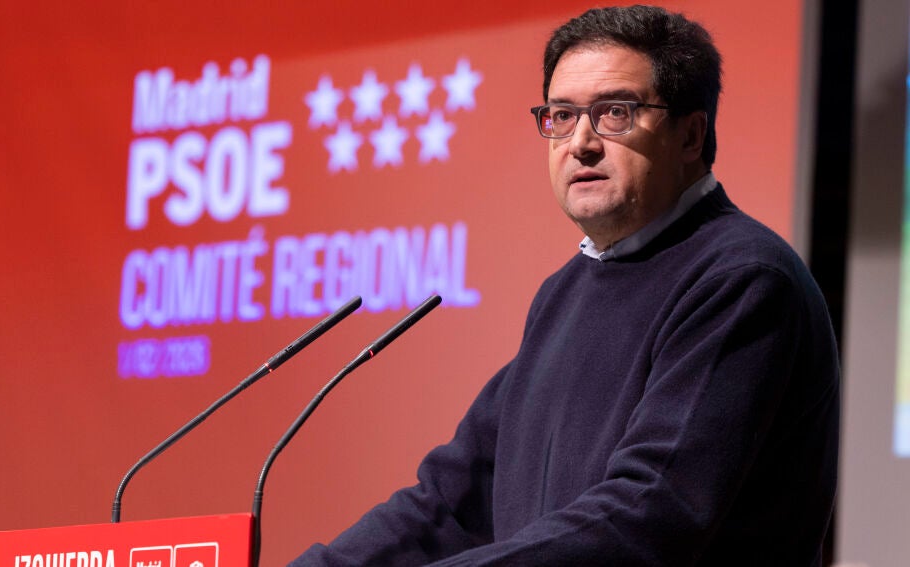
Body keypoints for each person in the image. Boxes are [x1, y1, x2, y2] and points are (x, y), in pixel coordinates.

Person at [291, 5, 839, 566]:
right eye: (562, 115)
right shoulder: (565, 291)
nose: (581, 142)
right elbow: (452, 503)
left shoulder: (741, 280)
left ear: (691, 135)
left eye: (615, 113)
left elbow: (650, 512)